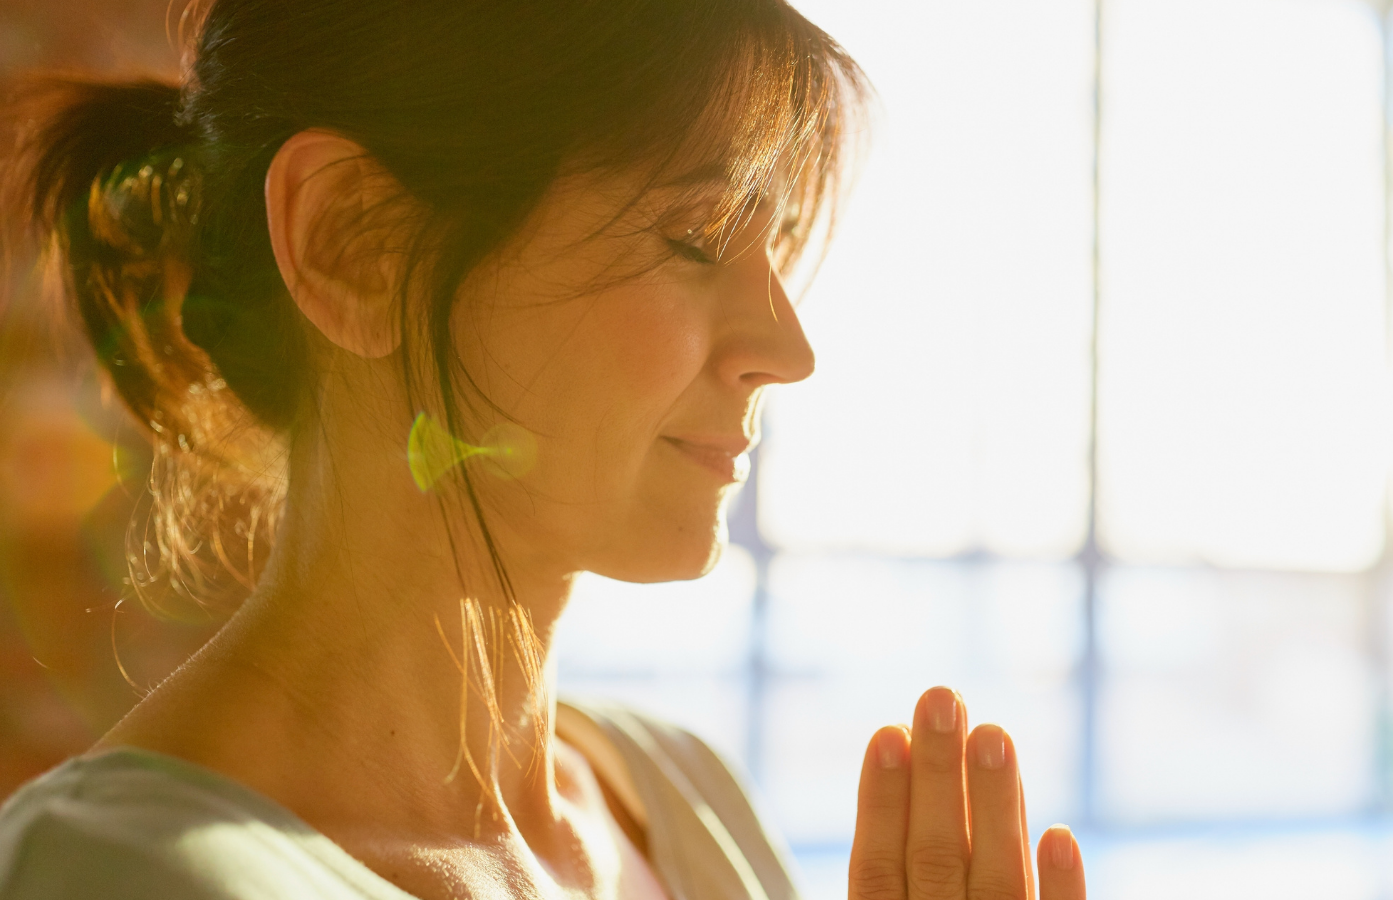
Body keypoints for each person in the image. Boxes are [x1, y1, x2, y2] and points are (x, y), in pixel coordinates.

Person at [0, 1, 1087, 898]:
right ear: (353, 245)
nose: (786, 349)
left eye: (779, 247)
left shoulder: (676, 797)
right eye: (694, 240)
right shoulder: (119, 873)